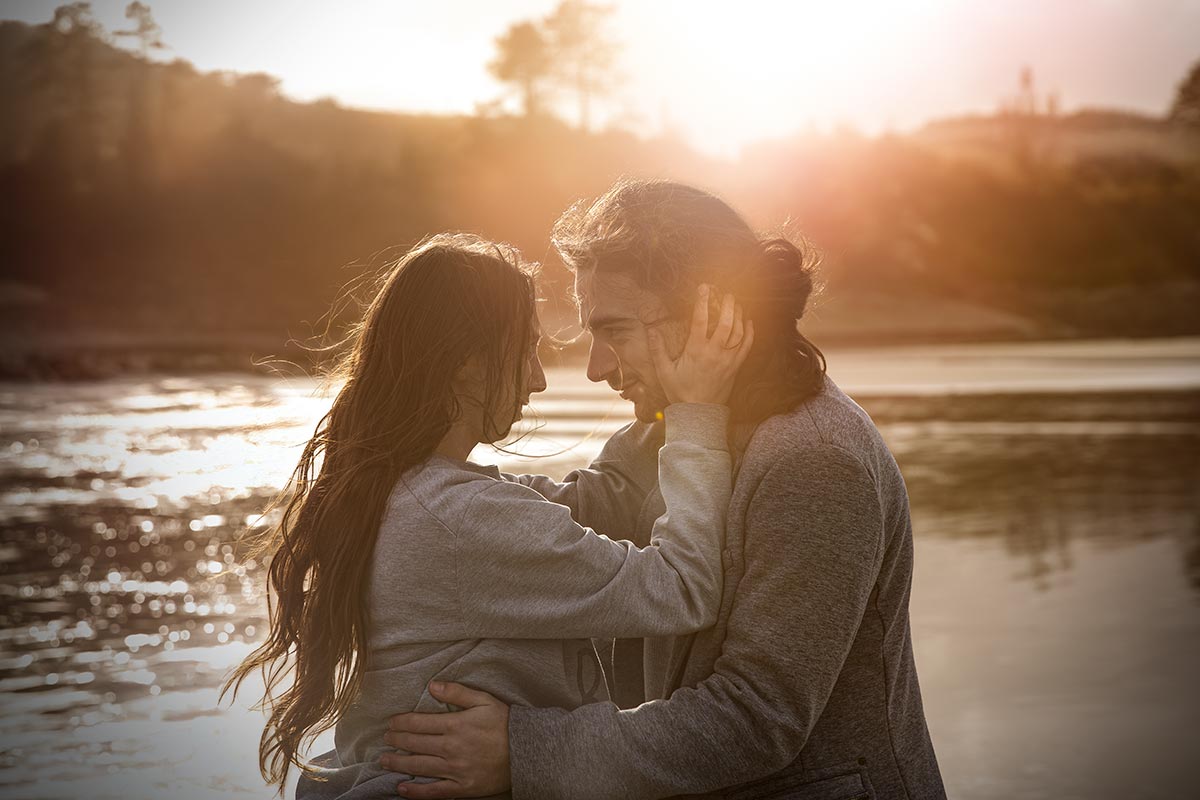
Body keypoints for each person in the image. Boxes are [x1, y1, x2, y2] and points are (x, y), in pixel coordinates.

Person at [381, 181, 947, 799]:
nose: (596, 367)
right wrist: (406, 486)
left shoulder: (814, 459)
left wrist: (521, 750)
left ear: (706, 313)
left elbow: (756, 720)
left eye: (615, 330)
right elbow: (585, 509)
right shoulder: (688, 426)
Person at [220, 232, 755, 799]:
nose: (537, 380)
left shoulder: (403, 492)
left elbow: (600, 498)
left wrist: (664, 391)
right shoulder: (464, 518)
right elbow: (681, 588)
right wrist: (698, 412)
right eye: (525, 350)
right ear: (465, 364)